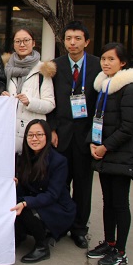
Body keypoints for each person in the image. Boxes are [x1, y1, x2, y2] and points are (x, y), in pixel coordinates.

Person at [86, 42, 133, 265]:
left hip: (120, 155)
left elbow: (128, 127)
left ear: (123, 62)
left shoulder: (129, 88)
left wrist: (105, 147)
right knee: (107, 202)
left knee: (120, 204)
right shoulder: (104, 86)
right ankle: (109, 243)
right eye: (103, 59)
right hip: (104, 153)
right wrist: (93, 142)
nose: (106, 63)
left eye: (111, 59)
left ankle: (121, 251)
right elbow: (98, 119)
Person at [47, 20, 101, 248]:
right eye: (68, 38)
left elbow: (101, 104)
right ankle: (58, 225)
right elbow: (49, 100)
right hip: (61, 135)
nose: (72, 43)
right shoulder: (54, 66)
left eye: (78, 38)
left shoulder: (98, 66)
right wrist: (51, 129)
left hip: (85, 137)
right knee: (59, 183)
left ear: (86, 42)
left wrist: (96, 137)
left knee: (83, 185)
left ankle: (79, 229)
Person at [11, 119, 76, 264]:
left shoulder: (58, 161)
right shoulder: (24, 158)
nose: (34, 139)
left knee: (25, 208)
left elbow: (52, 195)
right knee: (12, 203)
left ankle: (42, 246)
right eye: (30, 135)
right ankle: (19, 236)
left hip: (57, 208)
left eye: (39, 134)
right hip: (38, 200)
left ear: (47, 136)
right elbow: (25, 189)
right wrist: (17, 185)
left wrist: (26, 203)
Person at [2, 28, 56, 153]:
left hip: (33, 135)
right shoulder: (5, 68)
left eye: (26, 40)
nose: (22, 44)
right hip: (8, 131)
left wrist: (30, 102)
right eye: (18, 41)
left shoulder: (43, 70)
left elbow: (50, 104)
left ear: (33, 43)